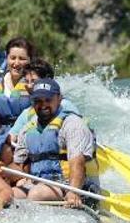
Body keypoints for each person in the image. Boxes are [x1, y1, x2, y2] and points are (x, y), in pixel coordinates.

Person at [8, 79, 99, 208]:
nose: (43, 105)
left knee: (36, 194)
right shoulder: (27, 128)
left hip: (74, 186)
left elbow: (77, 162)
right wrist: (0, 171)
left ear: (59, 98)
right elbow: (19, 166)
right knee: (9, 194)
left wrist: (73, 192)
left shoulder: (73, 124)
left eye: (48, 100)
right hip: (40, 183)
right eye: (38, 101)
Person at [7, 59, 80, 144]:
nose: (29, 86)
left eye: (34, 81)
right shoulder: (27, 114)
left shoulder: (65, 106)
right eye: (27, 81)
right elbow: (12, 136)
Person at [0, 37, 34, 149]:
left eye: (22, 59)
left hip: (28, 137)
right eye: (12, 58)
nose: (16, 63)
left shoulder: (35, 82)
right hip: (0, 139)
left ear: (30, 60)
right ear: (6, 59)